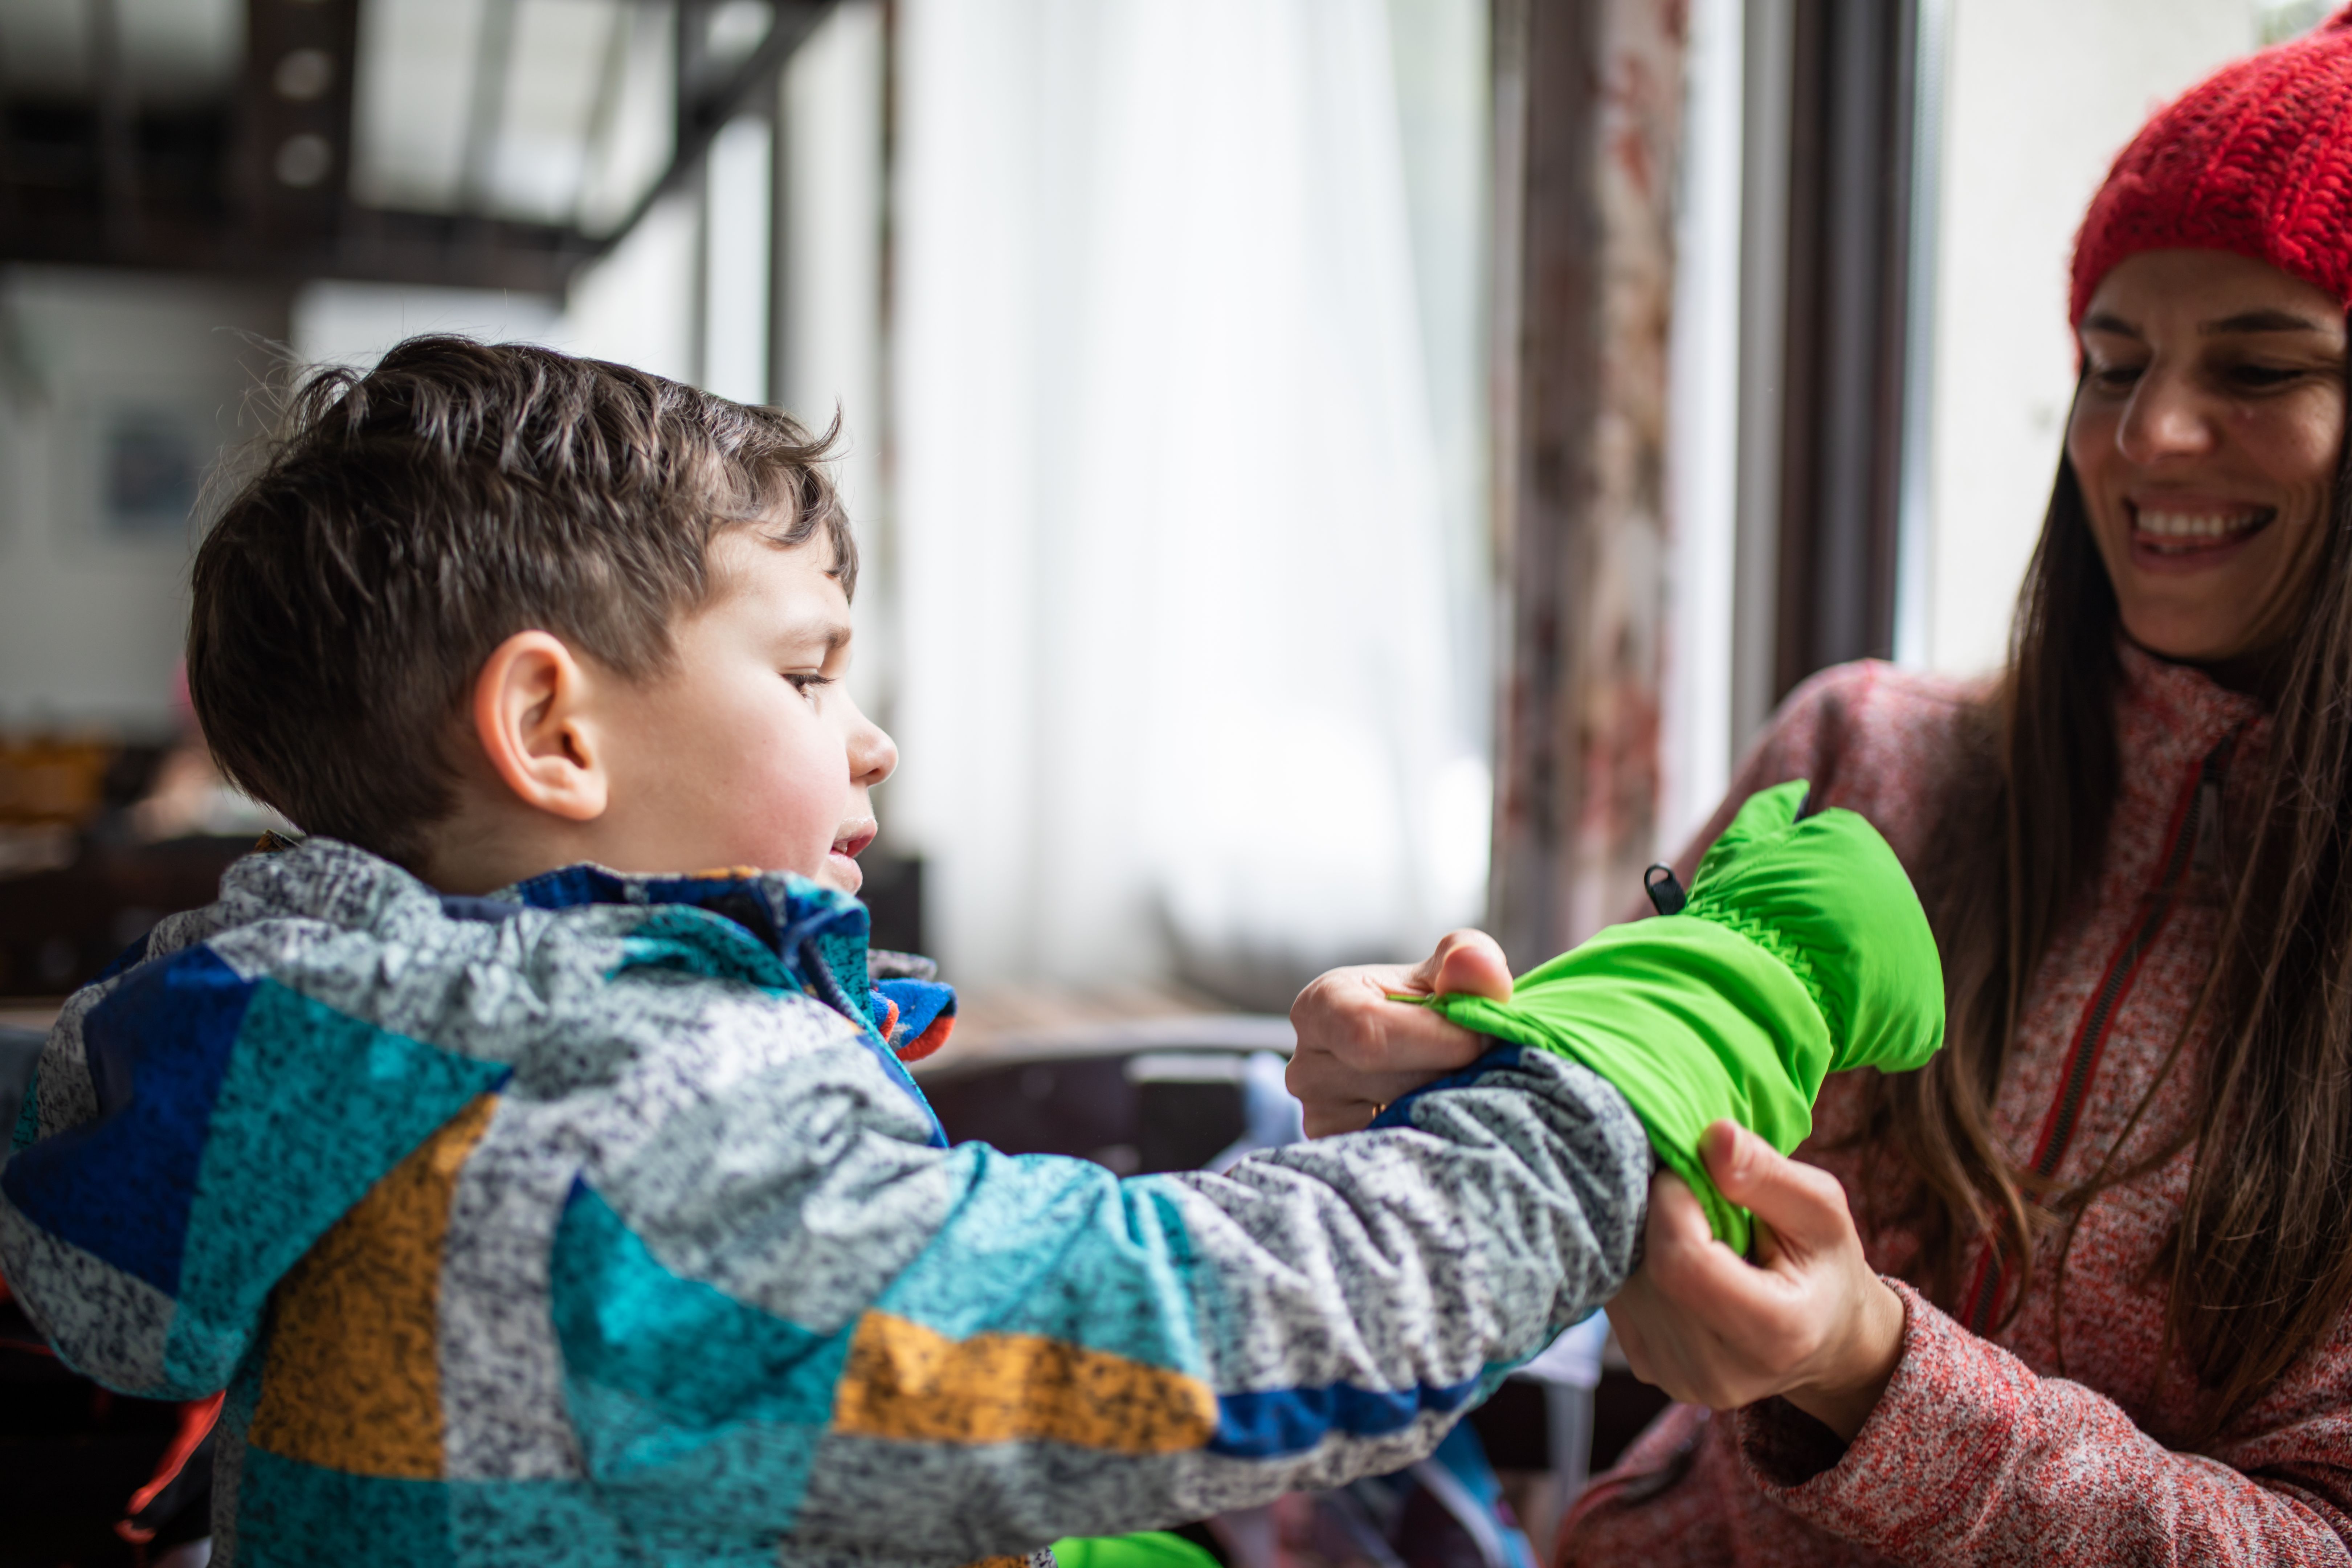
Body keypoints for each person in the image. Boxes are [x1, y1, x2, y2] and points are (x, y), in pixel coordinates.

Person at [0, 337, 1934, 1568]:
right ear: (556, 733)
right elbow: (1213, 1334)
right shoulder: (632, 1121)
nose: (871, 739)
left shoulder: (298, 1052)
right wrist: (1597, 1096)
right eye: (808, 670)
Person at [1298, 15, 2352, 1564]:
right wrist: (1450, 1080)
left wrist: (1867, 1373)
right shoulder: (1863, 758)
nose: (2148, 436)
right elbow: (1619, 1146)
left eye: (2257, 367)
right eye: (2110, 365)